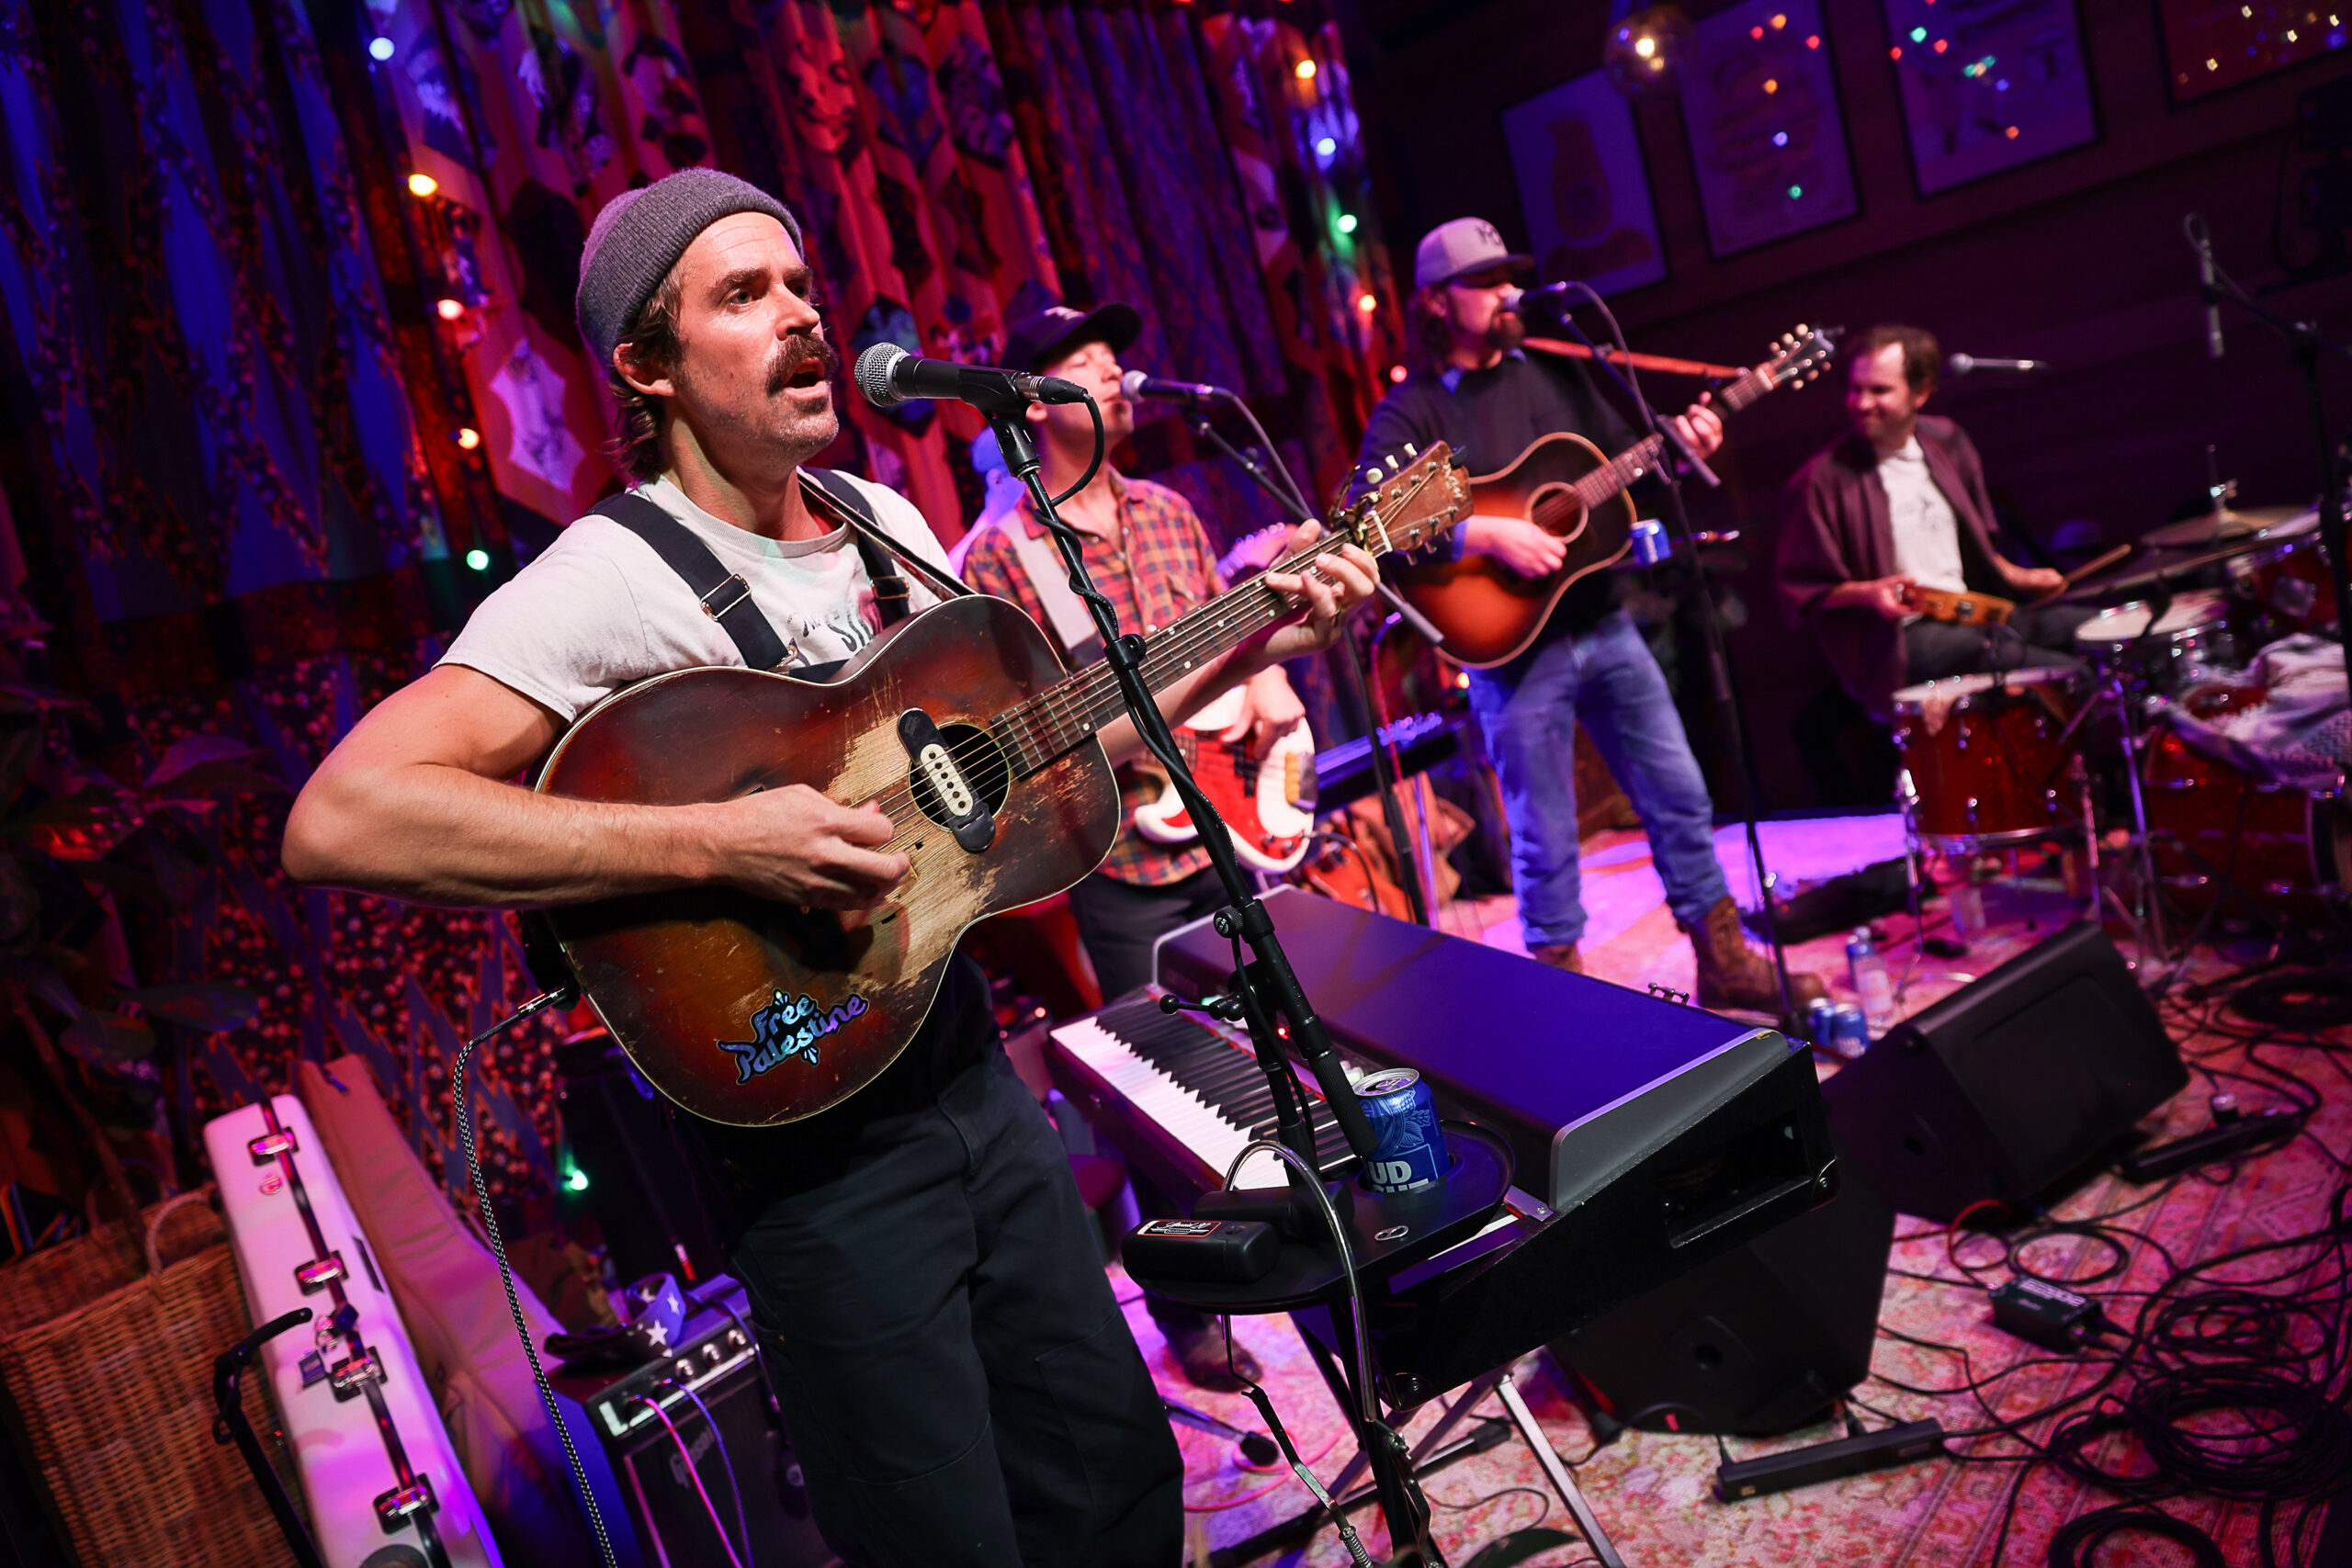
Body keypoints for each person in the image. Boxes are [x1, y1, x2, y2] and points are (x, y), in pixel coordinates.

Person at [279, 169, 1374, 1567]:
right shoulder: (609, 576)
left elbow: (1026, 743)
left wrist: (1248, 643)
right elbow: (343, 815)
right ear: (646, 365)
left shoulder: (882, 520)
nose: (800, 315)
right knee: (943, 1534)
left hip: (969, 1066)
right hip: (811, 1151)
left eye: (800, 283)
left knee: (1112, 1473)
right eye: (743, 295)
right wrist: (721, 836)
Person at [956, 302, 1308, 1389]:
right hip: (1117, 858)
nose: (1114, 374)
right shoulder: (999, 561)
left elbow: (1230, 639)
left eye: (1116, 356)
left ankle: (1311, 1225)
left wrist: (1269, 680)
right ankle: (1193, 1304)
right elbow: (1028, 744)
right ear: (1032, 402)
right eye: (1082, 364)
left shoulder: (1168, 511)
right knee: (1159, 1094)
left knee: (1281, 1047)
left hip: (1221, 822)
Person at [1357, 217, 1826, 1014]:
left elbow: (1628, 462)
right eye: (1488, 282)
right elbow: (1367, 512)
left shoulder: (1559, 371)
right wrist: (1484, 529)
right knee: (1544, 836)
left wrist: (1684, 441)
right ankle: (1570, 1006)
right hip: (1511, 652)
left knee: (1679, 793)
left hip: (1606, 622)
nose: (1510, 293)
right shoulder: (1415, 410)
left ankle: (1724, 960)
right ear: (1437, 302)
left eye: (1512, 276)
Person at [1777, 323, 2085, 721]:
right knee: (2066, 674)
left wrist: (2022, 577)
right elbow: (1803, 589)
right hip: (1905, 639)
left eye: (1879, 391)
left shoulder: (1946, 441)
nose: (1861, 402)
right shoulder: (1821, 480)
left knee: (2087, 629)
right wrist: (1870, 593)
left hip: (1974, 613)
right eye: (1856, 389)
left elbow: (1974, 547)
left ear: (1920, 393)